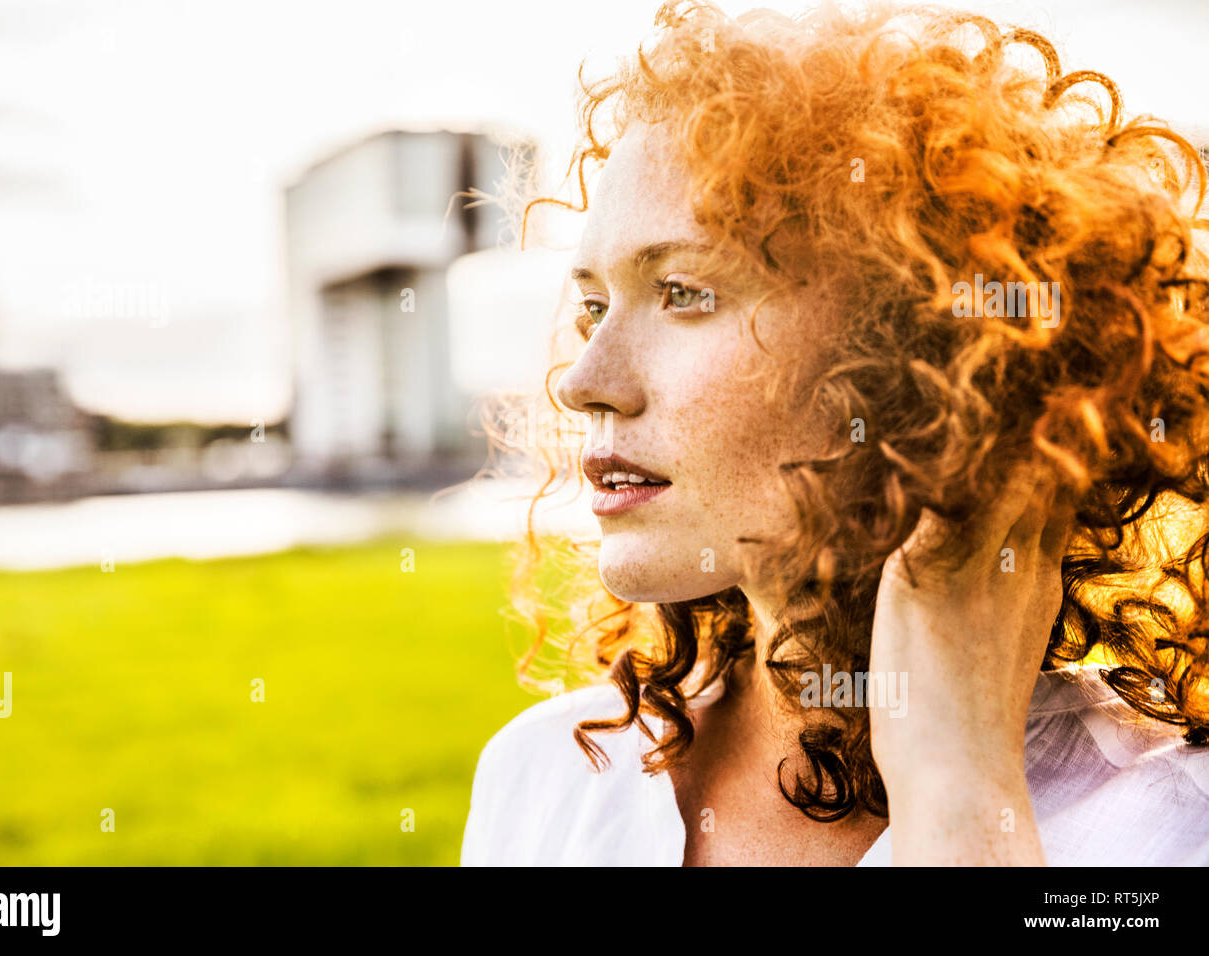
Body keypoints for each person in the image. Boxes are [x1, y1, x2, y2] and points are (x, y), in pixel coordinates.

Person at [462, 0, 1209, 865]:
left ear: (929, 351)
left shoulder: (1169, 830)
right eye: (593, 306)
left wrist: (959, 791)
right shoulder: (547, 775)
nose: (587, 382)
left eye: (684, 293)